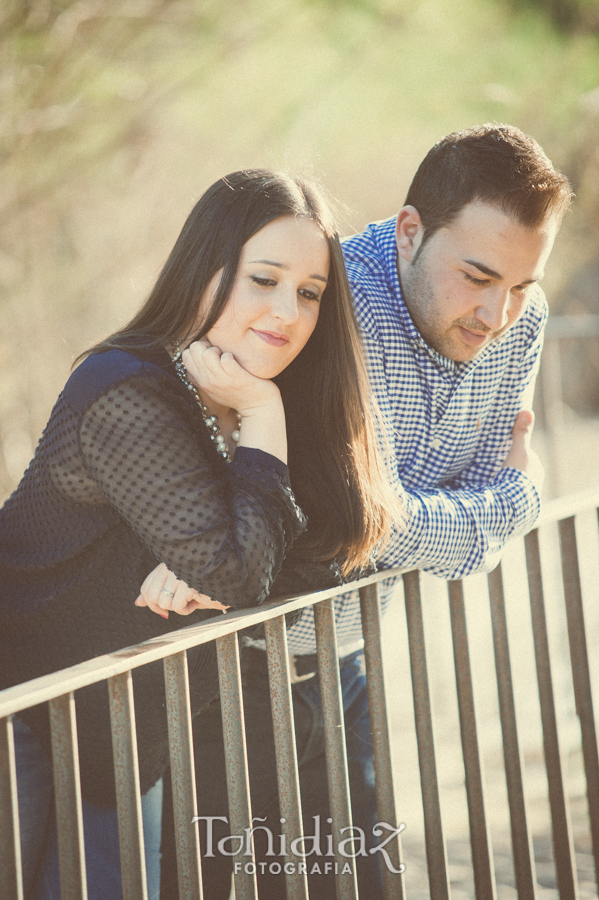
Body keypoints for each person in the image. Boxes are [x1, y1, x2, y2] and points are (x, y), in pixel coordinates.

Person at [147, 125, 573, 900]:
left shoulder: (522, 321)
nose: (495, 313)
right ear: (409, 231)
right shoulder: (324, 297)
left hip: (346, 660)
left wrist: (471, 511)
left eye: (520, 284)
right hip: (220, 669)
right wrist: (509, 502)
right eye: (476, 275)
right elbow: (333, 518)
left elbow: (399, 522)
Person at [0, 169, 404, 900]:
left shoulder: (253, 395)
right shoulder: (126, 389)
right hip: (22, 712)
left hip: (115, 734)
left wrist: (260, 430)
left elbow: (341, 546)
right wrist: (263, 426)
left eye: (308, 292)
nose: (286, 311)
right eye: (263, 279)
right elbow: (238, 572)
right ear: (202, 271)